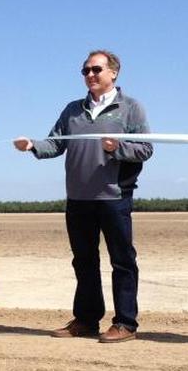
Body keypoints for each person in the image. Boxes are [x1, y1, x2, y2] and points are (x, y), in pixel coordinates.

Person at [13, 50, 153, 344]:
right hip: (78, 198)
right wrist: (32, 146)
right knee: (84, 261)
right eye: (85, 70)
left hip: (114, 197)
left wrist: (118, 148)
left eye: (96, 69)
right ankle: (87, 320)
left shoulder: (130, 108)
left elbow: (146, 149)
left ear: (113, 72)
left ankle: (125, 322)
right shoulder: (72, 110)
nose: (90, 75)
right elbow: (55, 143)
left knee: (122, 261)